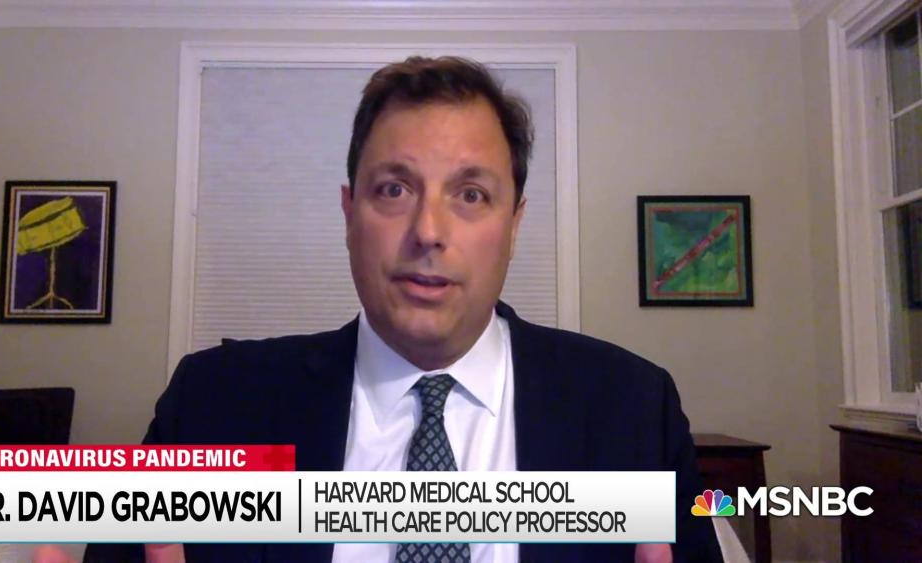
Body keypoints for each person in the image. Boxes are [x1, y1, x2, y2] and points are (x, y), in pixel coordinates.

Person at [73, 56, 721, 563]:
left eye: (471, 194)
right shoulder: (212, 403)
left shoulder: (634, 408)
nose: (428, 231)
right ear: (349, 212)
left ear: (514, 224)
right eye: (393, 189)